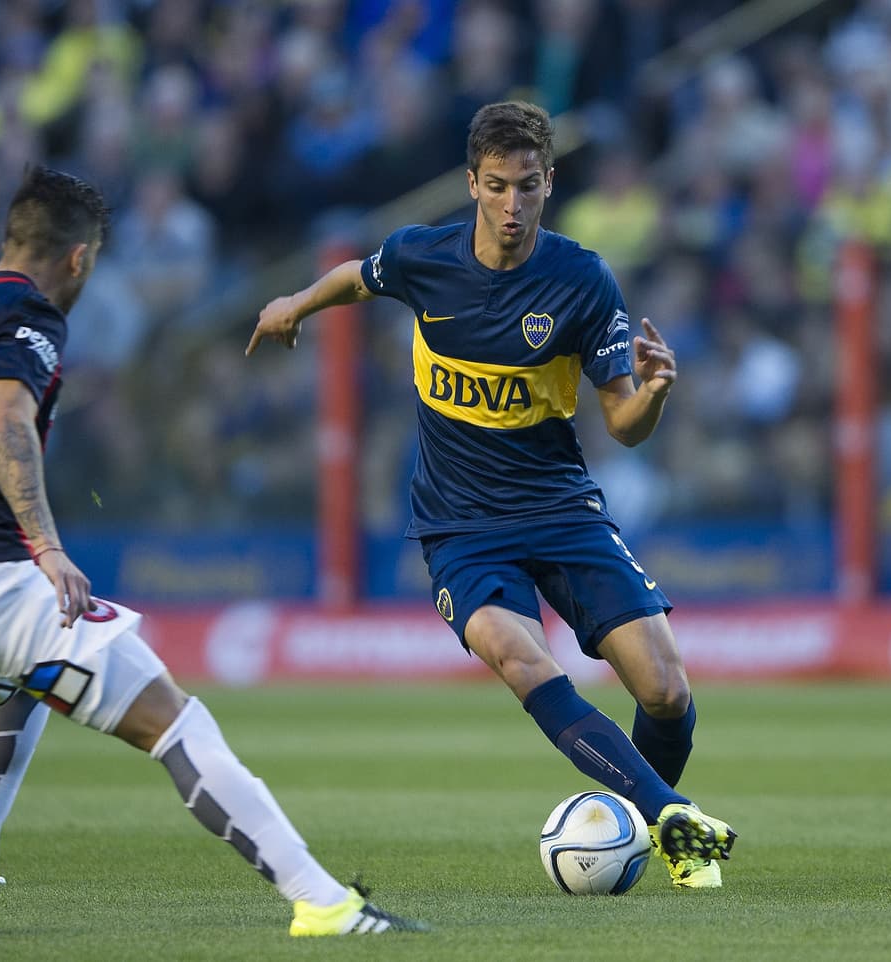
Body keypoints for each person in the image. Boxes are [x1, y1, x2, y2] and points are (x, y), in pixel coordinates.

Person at [0, 165, 425, 936]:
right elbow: (5, 421)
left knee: (24, 676)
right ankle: (322, 902)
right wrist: (45, 546)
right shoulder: (30, 315)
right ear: (79, 258)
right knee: (178, 723)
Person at [246, 101, 738, 889]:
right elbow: (357, 277)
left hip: (560, 509)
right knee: (519, 656)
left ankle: (643, 822)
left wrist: (654, 393)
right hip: (461, 526)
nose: (514, 205)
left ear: (551, 184)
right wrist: (294, 305)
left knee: (667, 691)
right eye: (499, 186)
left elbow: (624, 424)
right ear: (472, 183)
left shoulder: (582, 280)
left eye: (529, 186)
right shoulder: (422, 256)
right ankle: (672, 817)